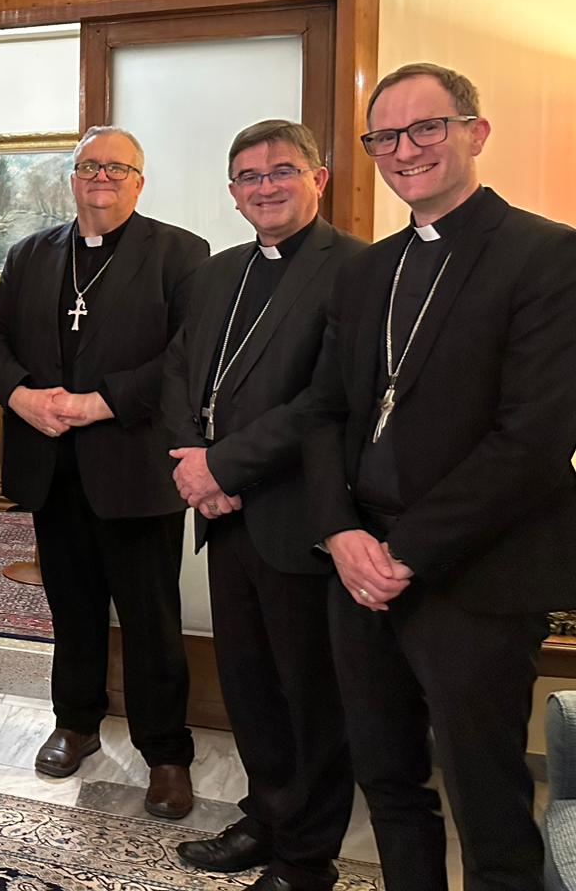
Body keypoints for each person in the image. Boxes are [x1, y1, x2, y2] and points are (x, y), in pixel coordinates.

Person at [304, 63, 576, 890]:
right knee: (387, 780)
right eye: (385, 136)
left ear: (474, 133)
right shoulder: (363, 269)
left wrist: (403, 551)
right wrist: (343, 532)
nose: (405, 150)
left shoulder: (547, 254)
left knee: (486, 796)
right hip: (361, 569)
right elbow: (323, 412)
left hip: (476, 574)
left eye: (426, 128)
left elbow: (532, 440)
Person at [0, 125, 208, 818]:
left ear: (140, 180)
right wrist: (21, 395)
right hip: (54, 467)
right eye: (88, 167)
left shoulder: (178, 252)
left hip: (135, 469)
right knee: (71, 608)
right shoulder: (31, 254)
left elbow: (184, 354)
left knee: (151, 619)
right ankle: (76, 723)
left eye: (117, 168)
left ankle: (165, 753)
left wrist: (96, 403)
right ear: (70, 179)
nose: (100, 178)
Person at [161, 121, 362, 890]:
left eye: (283, 171)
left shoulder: (355, 269)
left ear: (320, 177)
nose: (265, 186)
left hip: (298, 516)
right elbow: (180, 374)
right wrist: (193, 467)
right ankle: (267, 818)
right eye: (248, 175)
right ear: (233, 190)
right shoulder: (219, 272)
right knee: (248, 687)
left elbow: (328, 397)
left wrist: (222, 464)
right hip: (224, 514)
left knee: (309, 696)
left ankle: (308, 859)